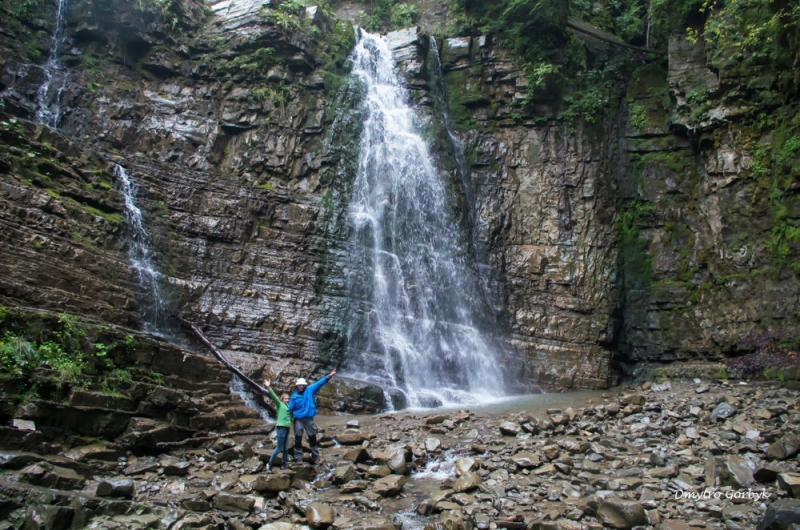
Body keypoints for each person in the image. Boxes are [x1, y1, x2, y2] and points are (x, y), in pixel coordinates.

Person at [289, 369, 336, 464]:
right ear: (297, 386)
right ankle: (298, 458)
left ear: (305, 385)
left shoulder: (310, 390)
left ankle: (316, 457)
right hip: (298, 420)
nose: (301, 386)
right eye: (300, 385)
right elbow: (289, 409)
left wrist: (329, 375)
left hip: (309, 419)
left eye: (303, 385)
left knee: (312, 438)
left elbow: (319, 383)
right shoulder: (293, 397)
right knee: (298, 438)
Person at [262, 379, 291, 472]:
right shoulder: (280, 404)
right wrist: (268, 387)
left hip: (287, 428)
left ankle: (283, 464)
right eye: (286, 398)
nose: (287, 400)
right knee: (279, 448)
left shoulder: (287, 407)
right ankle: (269, 464)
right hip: (281, 428)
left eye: (288, 399)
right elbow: (274, 396)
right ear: (282, 399)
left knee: (286, 448)